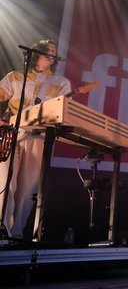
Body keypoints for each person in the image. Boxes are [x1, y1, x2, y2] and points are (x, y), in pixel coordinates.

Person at [0, 39, 72, 239]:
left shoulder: (60, 83)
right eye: (47, 51)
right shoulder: (15, 77)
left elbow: (65, 111)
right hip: (10, 134)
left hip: (38, 138)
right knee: (5, 184)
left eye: (53, 52)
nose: (50, 54)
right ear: (35, 53)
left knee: (26, 190)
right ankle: (2, 231)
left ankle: (16, 235)